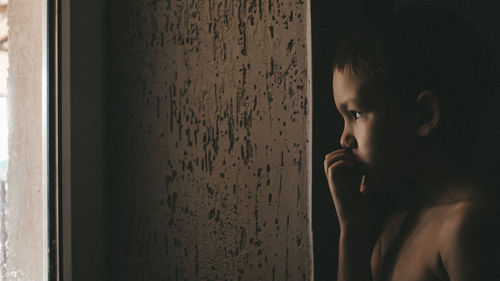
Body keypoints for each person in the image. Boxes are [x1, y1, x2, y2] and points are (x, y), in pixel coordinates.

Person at [324, 5, 500, 281]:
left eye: (355, 114)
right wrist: (353, 230)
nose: (344, 139)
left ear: (424, 115)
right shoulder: (397, 222)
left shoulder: (467, 227)